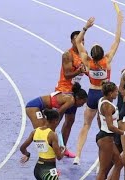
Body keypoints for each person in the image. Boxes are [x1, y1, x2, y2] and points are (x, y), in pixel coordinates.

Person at [73, 12, 123, 165]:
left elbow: (78, 42)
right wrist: (119, 22)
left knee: (86, 125)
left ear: (92, 55)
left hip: (92, 94)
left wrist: (85, 27)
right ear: (102, 54)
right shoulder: (107, 61)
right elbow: (117, 40)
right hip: (104, 96)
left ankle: (78, 156)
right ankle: (102, 160)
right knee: (105, 129)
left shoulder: (88, 62)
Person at [55, 30, 87, 158]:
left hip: (74, 92)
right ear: (72, 41)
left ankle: (63, 148)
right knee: (56, 120)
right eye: (78, 39)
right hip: (64, 91)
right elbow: (67, 75)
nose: (81, 41)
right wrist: (79, 70)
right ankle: (47, 144)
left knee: (70, 121)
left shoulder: (83, 54)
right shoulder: (68, 55)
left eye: (83, 39)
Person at [96, 81, 125, 180]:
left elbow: (98, 118)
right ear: (110, 93)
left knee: (119, 163)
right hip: (106, 139)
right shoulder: (107, 106)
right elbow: (110, 127)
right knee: (103, 170)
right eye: (116, 92)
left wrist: (102, 129)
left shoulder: (101, 100)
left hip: (106, 137)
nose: (117, 94)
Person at [20, 109, 65, 180]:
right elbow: (59, 157)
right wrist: (63, 150)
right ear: (55, 121)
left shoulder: (35, 132)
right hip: (48, 170)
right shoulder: (52, 135)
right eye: (58, 121)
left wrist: (27, 154)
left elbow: (22, 148)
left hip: (37, 169)